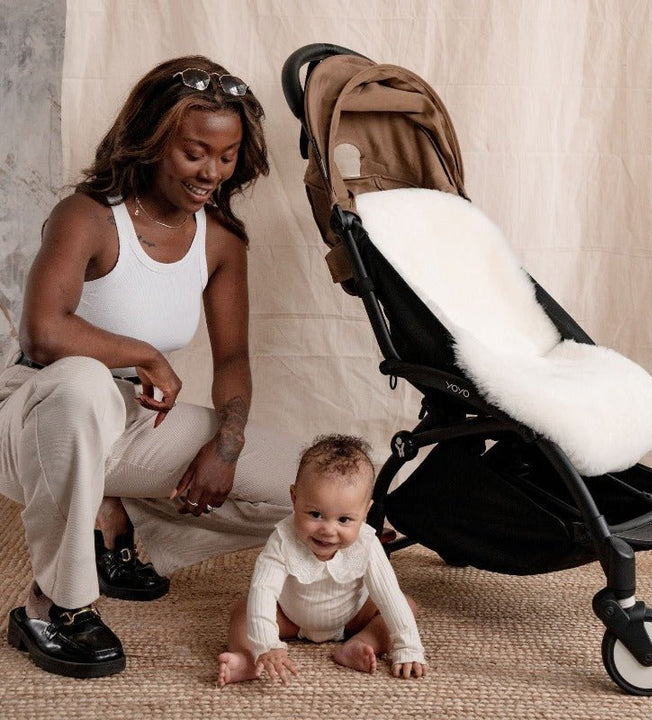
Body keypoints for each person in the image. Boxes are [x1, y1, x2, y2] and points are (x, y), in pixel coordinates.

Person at [0, 56, 301, 678]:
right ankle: (53, 605)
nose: (212, 172)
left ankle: (123, 525)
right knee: (84, 382)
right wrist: (143, 354)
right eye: (196, 152)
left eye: (227, 155)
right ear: (154, 140)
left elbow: (235, 358)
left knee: (306, 488)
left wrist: (227, 442)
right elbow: (43, 331)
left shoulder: (220, 238)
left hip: (132, 421)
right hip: (32, 412)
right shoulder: (87, 215)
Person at [217, 434, 427, 686]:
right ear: (295, 499)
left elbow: (388, 595)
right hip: (291, 619)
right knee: (245, 610)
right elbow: (264, 590)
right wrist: (267, 643)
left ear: (365, 512)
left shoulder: (367, 543)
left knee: (406, 604)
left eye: (344, 520)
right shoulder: (282, 540)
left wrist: (409, 648)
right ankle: (249, 659)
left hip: (352, 618)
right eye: (316, 514)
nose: (328, 529)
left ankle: (361, 642)